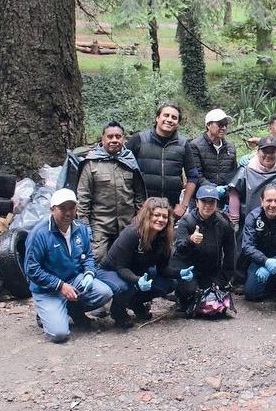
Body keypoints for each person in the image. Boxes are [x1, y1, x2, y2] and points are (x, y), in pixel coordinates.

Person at [24, 189, 113, 343]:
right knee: (59, 334)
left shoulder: (80, 229)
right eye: (62, 208)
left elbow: (88, 256)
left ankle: (72, 309)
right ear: (52, 209)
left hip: (73, 280)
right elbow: (31, 269)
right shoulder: (40, 234)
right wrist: (60, 285)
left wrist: (89, 273)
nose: (68, 212)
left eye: (72, 208)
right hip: (48, 289)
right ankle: (45, 313)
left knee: (104, 293)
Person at [97, 197, 192, 328]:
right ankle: (118, 311)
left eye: (164, 217)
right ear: (148, 215)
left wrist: (180, 273)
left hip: (137, 272)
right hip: (111, 271)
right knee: (125, 286)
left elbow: (163, 269)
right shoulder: (132, 233)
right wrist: (137, 280)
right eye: (156, 215)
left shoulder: (164, 238)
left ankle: (135, 303)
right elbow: (121, 267)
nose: (161, 219)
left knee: (169, 284)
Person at [76, 121, 146, 262]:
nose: (114, 140)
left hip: (127, 222)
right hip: (100, 224)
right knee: (97, 258)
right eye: (110, 136)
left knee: (129, 260)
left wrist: (139, 219)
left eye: (118, 137)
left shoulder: (130, 161)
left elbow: (139, 195)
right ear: (103, 139)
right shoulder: (91, 163)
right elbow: (83, 197)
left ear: (123, 139)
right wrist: (84, 226)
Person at [171, 184, 237, 317]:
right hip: (187, 268)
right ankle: (180, 296)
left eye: (211, 202)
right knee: (189, 291)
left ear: (216, 204)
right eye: (204, 201)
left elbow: (231, 254)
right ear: (197, 203)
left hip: (210, 270)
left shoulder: (224, 224)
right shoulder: (186, 222)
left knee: (213, 299)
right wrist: (190, 240)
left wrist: (222, 280)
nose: (208, 205)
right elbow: (178, 250)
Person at [126, 102, 194, 218]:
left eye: (174, 117)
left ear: (178, 123)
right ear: (157, 118)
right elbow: (122, 167)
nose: (169, 120)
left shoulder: (183, 145)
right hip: (141, 208)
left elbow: (193, 176)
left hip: (169, 210)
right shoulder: (139, 140)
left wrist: (183, 206)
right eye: (166, 115)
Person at [227, 136, 276, 227]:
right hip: (250, 224)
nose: (268, 155)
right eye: (265, 151)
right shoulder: (245, 171)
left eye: (272, 152)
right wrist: (234, 221)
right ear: (258, 151)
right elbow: (234, 192)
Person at [185, 108, 238, 209]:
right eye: (220, 124)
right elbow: (196, 174)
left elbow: (233, 173)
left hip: (223, 200)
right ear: (208, 125)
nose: (224, 128)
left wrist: (228, 190)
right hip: (201, 199)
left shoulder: (230, 147)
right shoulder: (195, 146)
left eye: (225, 125)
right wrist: (213, 189)